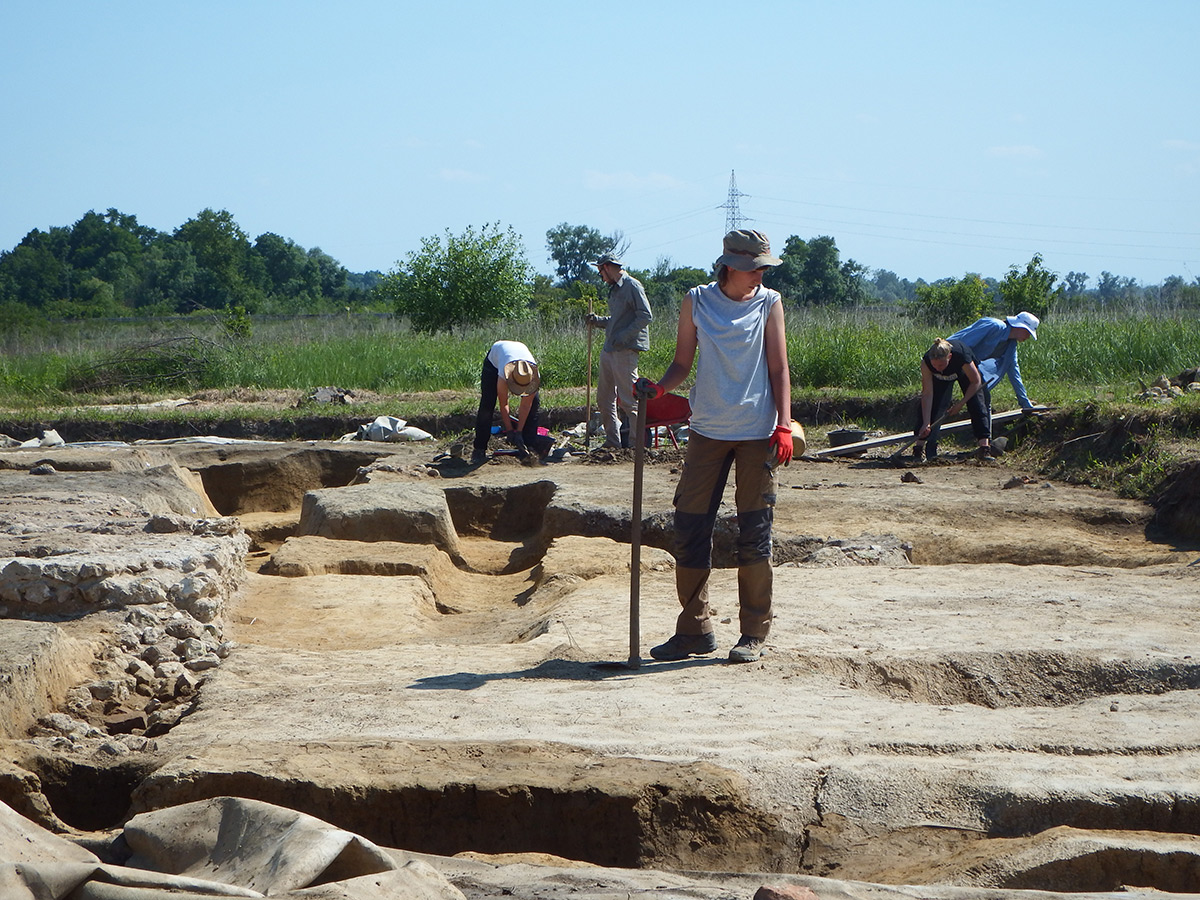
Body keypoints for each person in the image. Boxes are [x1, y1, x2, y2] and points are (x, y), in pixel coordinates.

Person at [634, 230, 793, 664]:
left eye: (764, 268)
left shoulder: (769, 302)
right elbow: (682, 362)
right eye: (755, 267)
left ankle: (753, 634)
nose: (760, 275)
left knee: (754, 532)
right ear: (731, 266)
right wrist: (658, 388)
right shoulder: (697, 300)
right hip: (706, 430)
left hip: (757, 431)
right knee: (690, 527)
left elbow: (779, 367)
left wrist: (783, 424)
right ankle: (694, 631)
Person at [586, 252, 653, 448]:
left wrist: (623, 336)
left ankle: (635, 446)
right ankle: (612, 442)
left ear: (607, 267)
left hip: (625, 350)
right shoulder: (615, 290)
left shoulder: (632, 286)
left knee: (629, 400)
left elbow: (645, 316)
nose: (601, 276)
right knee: (604, 398)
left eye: (600, 271)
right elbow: (616, 321)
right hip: (610, 349)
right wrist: (598, 321)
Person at [946, 312, 1040, 436]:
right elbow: (962, 345)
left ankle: (985, 444)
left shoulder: (1011, 346)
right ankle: (926, 444)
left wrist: (1025, 403)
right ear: (1019, 327)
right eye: (1028, 332)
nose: (1028, 336)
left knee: (983, 399)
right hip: (948, 358)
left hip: (969, 366)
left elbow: (1014, 372)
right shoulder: (994, 326)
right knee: (941, 400)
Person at [911, 338, 991, 462]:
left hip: (965, 375)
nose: (938, 368)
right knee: (934, 407)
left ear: (950, 356)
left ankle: (984, 448)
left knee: (977, 403)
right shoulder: (926, 362)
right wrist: (926, 423)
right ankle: (919, 448)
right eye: (935, 365)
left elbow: (976, 381)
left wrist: (960, 404)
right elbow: (927, 393)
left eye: (941, 365)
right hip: (941, 380)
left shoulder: (961, 356)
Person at [472, 340, 541, 465]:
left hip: (517, 351)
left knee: (534, 403)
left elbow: (526, 405)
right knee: (487, 404)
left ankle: (529, 446)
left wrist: (519, 432)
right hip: (495, 360)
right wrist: (509, 430)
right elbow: (503, 402)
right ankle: (479, 448)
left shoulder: (532, 376)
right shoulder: (504, 374)